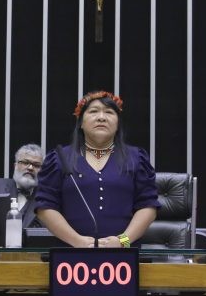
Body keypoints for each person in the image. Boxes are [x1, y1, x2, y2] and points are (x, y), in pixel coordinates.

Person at [34, 90, 160, 248]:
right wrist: (77, 241)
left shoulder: (137, 158)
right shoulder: (60, 158)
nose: (101, 117)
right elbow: (45, 207)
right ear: (81, 122)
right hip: (70, 254)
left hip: (124, 255)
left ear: (118, 124)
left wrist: (123, 242)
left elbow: (148, 207)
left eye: (109, 112)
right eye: (93, 111)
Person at [0, 144, 44, 228]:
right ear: (15, 166)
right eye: (25, 162)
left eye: (36, 165)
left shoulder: (45, 198)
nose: (30, 168)